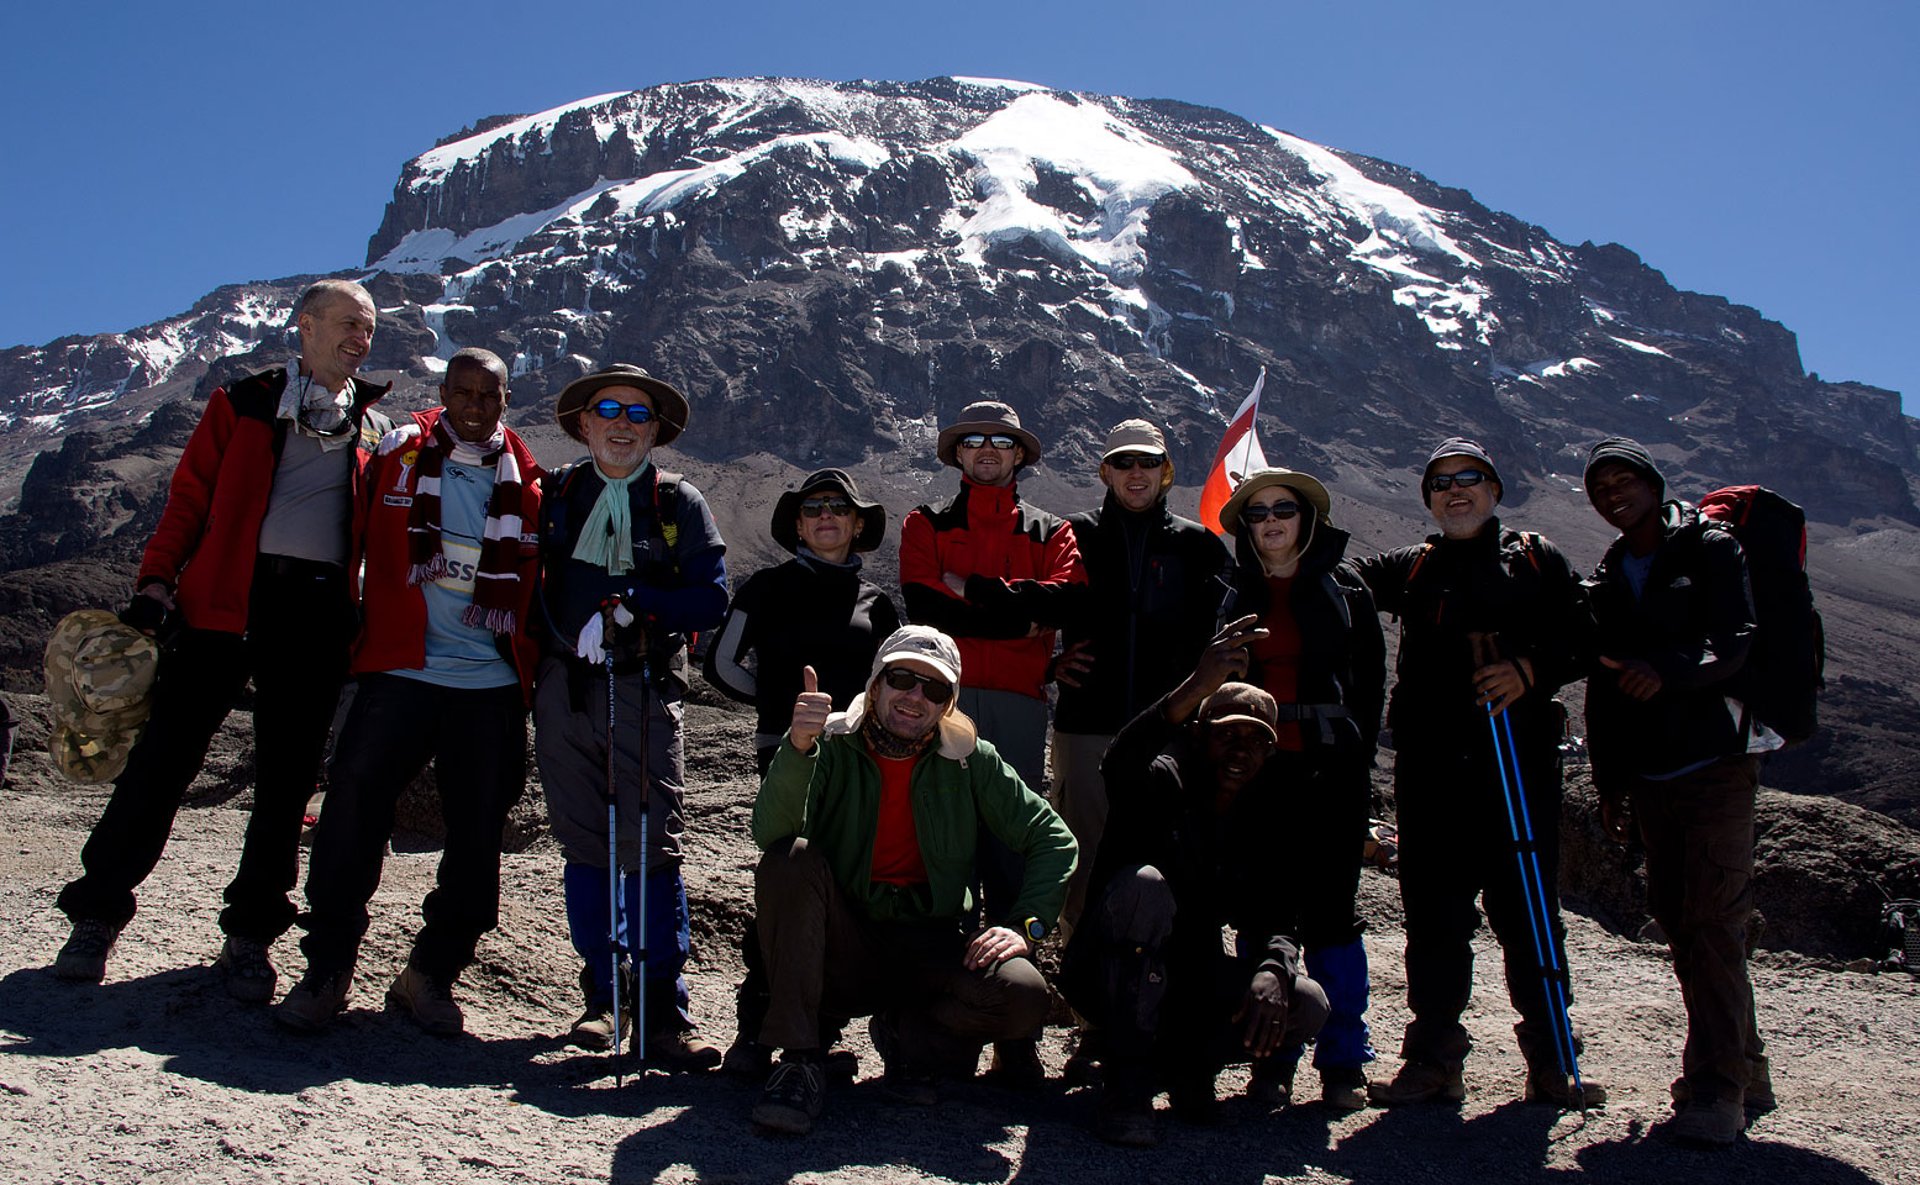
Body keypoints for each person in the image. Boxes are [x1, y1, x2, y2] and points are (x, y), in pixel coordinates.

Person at [53, 279, 391, 1001]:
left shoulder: (373, 428)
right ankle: (96, 914)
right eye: (347, 324)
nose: (361, 339)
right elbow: (190, 496)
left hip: (317, 614)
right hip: (223, 605)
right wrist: (155, 580)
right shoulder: (241, 403)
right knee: (162, 761)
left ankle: (251, 935)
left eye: (369, 329)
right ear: (305, 326)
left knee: (287, 779)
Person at [274, 349, 541, 1035]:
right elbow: (346, 526)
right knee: (351, 813)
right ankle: (327, 965)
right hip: (400, 669)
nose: (476, 407)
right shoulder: (397, 456)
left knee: (479, 835)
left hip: (488, 682)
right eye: (464, 393)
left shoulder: (530, 485)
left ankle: (430, 973)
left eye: (490, 396)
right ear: (444, 393)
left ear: (506, 401)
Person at [1351, 438, 1602, 1108]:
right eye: (1440, 482)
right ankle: (1433, 1057)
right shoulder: (1413, 565)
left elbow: (1586, 634)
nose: (1454, 490)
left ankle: (1552, 1055)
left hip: (1515, 762)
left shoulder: (1537, 558)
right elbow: (1339, 579)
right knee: (1433, 913)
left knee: (1527, 910)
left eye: (1469, 478)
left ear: (1494, 489)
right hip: (1432, 768)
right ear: (1428, 498)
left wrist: (1528, 670)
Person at [747, 625, 1076, 1135]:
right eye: (902, 678)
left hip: (931, 944)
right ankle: (800, 1058)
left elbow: (1052, 838)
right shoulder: (831, 744)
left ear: (948, 704)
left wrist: (1026, 927)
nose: (915, 696)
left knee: (1021, 996)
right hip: (847, 939)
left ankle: (910, 1035)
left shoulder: (970, 760)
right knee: (791, 861)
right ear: (875, 684)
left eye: (936, 689)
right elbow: (770, 832)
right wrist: (798, 746)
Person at [1063, 618, 1331, 1147]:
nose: (1239, 749)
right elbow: (1119, 760)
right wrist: (1194, 688)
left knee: (1307, 1001)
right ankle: (1128, 1084)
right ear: (1198, 735)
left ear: (1269, 753)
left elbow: (1280, 912)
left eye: (1255, 740)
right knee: (1146, 886)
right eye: (1226, 733)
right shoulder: (1162, 780)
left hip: (1186, 984)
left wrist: (1276, 969)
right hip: (1106, 977)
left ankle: (1186, 1069)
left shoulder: (1261, 817)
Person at [534, 363, 728, 1069]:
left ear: (655, 429)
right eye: (607, 408)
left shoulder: (678, 502)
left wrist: (635, 604)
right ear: (584, 423)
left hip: (645, 687)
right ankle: (601, 993)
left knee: (651, 845)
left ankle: (662, 1011)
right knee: (585, 844)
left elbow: (710, 598)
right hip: (567, 690)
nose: (622, 422)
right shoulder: (554, 494)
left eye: (637, 413)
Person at [1583, 437, 1771, 1146]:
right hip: (1650, 773)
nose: (1613, 492)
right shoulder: (1609, 574)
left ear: (1655, 483)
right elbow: (1604, 685)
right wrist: (1609, 782)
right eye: (1601, 486)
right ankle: (1745, 1067)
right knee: (1683, 920)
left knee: (1714, 920)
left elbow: (1737, 637)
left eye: (1625, 479)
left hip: (1715, 762)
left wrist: (1668, 669)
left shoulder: (1709, 548)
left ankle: (1718, 1090)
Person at [898, 400, 1084, 1082]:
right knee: (938, 850)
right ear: (957, 453)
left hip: (1017, 706)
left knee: (1010, 853)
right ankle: (932, 1017)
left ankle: (1014, 1026)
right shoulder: (925, 522)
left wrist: (970, 588)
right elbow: (928, 610)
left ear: (1018, 456)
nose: (986, 449)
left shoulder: (1052, 529)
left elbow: (1064, 604)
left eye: (1000, 442)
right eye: (973, 439)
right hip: (939, 701)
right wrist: (1019, 616)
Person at [704, 467, 900, 1074]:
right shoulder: (765, 588)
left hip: (861, 762)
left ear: (858, 524)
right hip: (786, 754)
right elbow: (718, 664)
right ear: (796, 522)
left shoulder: (878, 604)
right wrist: (778, 711)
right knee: (785, 874)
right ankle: (756, 1023)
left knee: (838, 885)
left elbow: (893, 683)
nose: (825, 516)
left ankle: (817, 1029)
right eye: (813, 507)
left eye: (839, 508)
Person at [1218, 468, 1385, 1110]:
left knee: (1332, 917)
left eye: (1282, 509)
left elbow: (1369, 688)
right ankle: (1273, 1060)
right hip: (1254, 775)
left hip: (1329, 774)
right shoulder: (1232, 594)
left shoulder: (1347, 592)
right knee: (1262, 912)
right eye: (1258, 514)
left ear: (1306, 518)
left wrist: (1355, 765)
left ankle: (1344, 1057)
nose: (1271, 522)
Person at [1050, 420, 1232, 939]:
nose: (1136, 472)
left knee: (1167, 854)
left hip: (1170, 731)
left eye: (1148, 462)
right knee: (1084, 855)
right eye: (1124, 462)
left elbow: (1227, 628)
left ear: (1166, 472)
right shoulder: (1073, 534)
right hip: (1086, 726)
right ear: (1105, 471)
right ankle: (1088, 1000)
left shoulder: (1198, 546)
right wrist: (1048, 667)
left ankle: (1157, 997)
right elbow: (1034, 608)